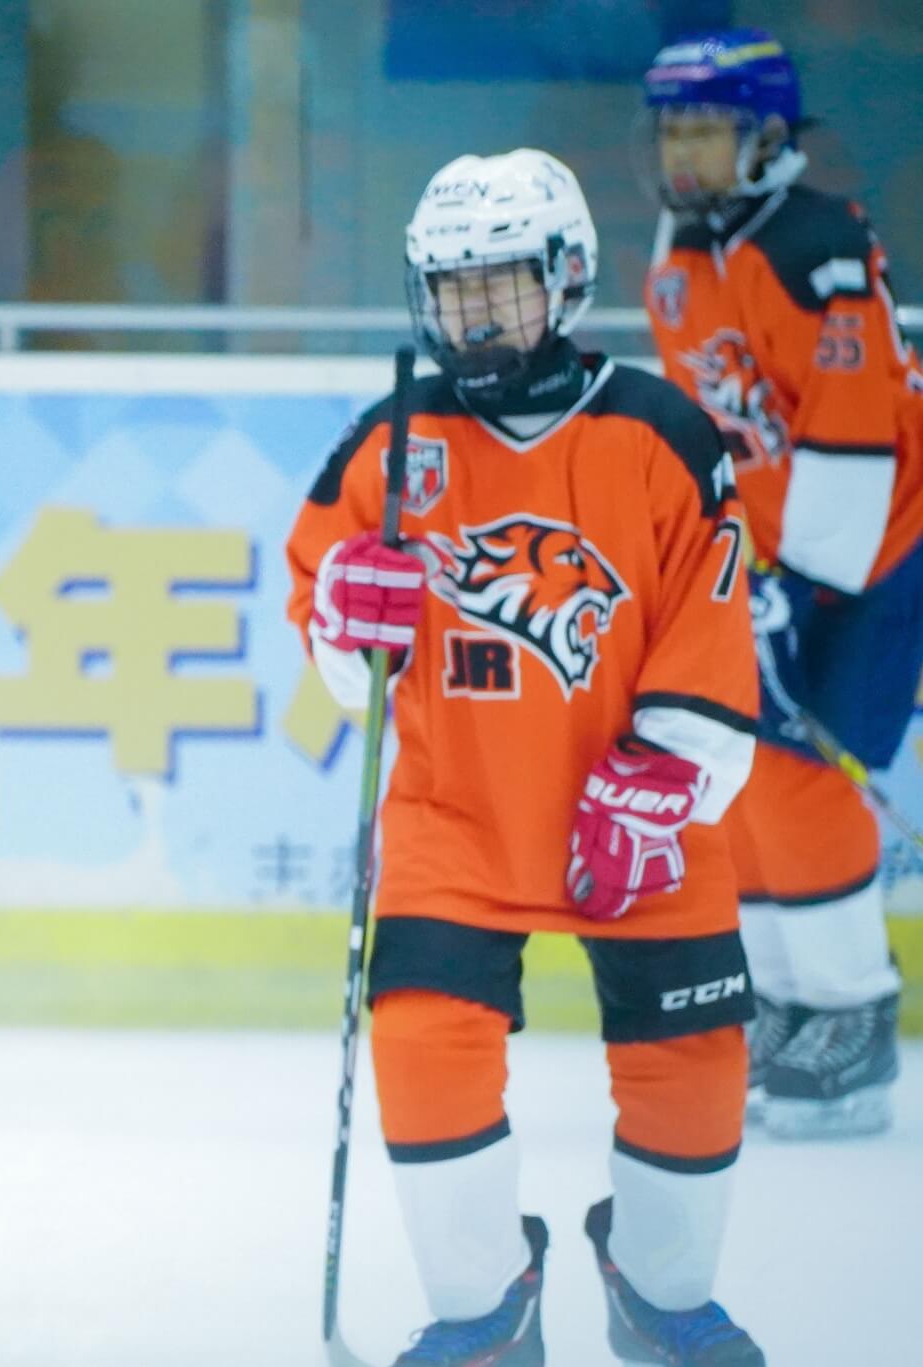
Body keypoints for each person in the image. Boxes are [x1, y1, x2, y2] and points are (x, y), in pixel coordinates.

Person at [288, 150, 765, 1365]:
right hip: (458, 816)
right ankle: (482, 1302)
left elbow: (712, 615)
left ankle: (654, 1287)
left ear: (563, 279)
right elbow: (327, 631)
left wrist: (667, 763)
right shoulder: (389, 442)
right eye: (447, 291)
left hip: (641, 813)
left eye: (495, 286)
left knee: (690, 1057)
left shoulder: (662, 430)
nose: (469, 315)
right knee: (419, 1041)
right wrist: (350, 620)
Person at [639, 26, 914, 1140]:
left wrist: (796, 583)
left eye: (701, 128)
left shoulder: (815, 247)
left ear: (761, 135)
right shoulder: (676, 252)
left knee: (799, 775)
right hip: (763, 564)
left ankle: (851, 1016)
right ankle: (785, 1002)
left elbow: (855, 436)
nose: (680, 152)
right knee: (736, 773)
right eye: (668, 129)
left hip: (877, 556)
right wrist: (718, 558)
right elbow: (710, 431)